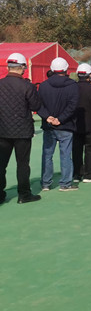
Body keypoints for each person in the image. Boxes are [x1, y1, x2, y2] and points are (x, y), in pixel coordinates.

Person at [0, 53, 42, 204]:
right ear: (22, 67)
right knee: (23, 164)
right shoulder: (27, 86)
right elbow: (36, 106)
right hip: (23, 131)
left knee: (1, 165)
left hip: (2, 130)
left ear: (8, 67)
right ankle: (24, 195)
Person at [38, 57, 80, 192]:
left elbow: (39, 105)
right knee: (66, 154)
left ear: (51, 69)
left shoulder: (43, 85)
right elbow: (73, 106)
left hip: (49, 125)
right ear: (66, 69)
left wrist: (48, 117)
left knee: (47, 155)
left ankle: (45, 183)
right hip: (66, 125)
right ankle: (65, 183)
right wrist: (60, 119)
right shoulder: (73, 85)